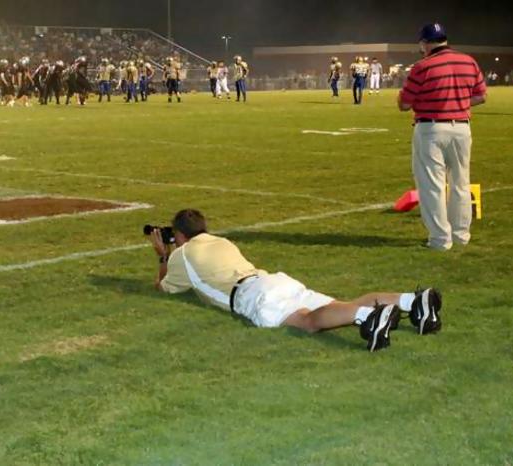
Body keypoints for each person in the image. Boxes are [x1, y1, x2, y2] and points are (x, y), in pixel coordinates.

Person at [147, 209, 442, 352]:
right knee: (339, 305)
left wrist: (163, 256)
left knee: (307, 321)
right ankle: (412, 300)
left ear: (179, 235)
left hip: (253, 295)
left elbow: (163, 288)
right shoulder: (220, 241)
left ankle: (368, 317)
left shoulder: (182, 254)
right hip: (274, 280)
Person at [398, 23, 486, 251]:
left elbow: (404, 104)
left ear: (424, 43)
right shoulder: (468, 61)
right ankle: (461, 235)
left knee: (432, 186)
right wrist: (457, 102)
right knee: (461, 183)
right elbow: (480, 96)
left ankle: (440, 239)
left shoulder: (422, 66)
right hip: (462, 128)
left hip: (431, 129)